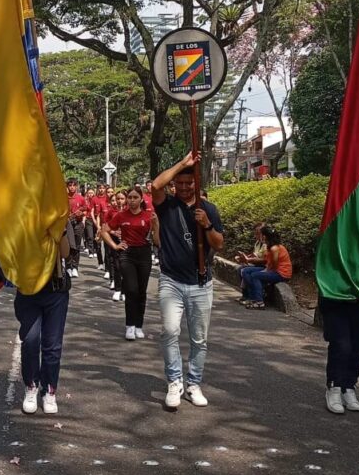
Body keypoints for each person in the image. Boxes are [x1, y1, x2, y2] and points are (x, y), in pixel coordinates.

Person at [152, 151, 225, 410]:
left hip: (201, 283)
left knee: (199, 338)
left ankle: (194, 383)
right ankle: (174, 381)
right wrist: (183, 163)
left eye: (188, 183)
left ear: (197, 183)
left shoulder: (208, 209)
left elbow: (219, 243)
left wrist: (206, 225)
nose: (183, 188)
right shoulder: (167, 205)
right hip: (171, 281)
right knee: (170, 331)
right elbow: (155, 186)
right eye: (179, 184)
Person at [17, 230, 72, 416]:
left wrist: (60, 230)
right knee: (30, 340)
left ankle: (49, 390)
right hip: (28, 290)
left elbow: (65, 253)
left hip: (55, 291)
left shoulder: (59, 216)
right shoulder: (22, 218)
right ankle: (31, 386)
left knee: (52, 345)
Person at [101, 185, 159, 339]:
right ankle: (130, 326)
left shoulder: (149, 215)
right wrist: (115, 245)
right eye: (130, 198)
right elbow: (104, 230)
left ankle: (139, 325)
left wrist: (156, 225)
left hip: (144, 254)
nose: (132, 201)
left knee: (141, 291)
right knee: (131, 290)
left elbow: (156, 240)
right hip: (127, 254)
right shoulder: (121, 215)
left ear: (141, 199)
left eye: (135, 198)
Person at [238, 225, 292, 309]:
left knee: (255, 275)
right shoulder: (269, 247)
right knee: (246, 271)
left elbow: (274, 265)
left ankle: (259, 302)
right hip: (272, 269)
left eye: (262, 234)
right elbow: (266, 261)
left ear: (265, 236)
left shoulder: (275, 248)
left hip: (280, 273)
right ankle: (252, 297)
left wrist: (265, 271)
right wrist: (248, 259)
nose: (261, 236)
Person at [66, 179, 87, 277]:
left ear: (77, 186)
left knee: (77, 246)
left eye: (74, 185)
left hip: (78, 224)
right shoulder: (63, 198)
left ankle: (75, 267)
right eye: (70, 185)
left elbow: (85, 210)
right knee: (69, 246)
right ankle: (68, 267)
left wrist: (81, 213)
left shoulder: (81, 198)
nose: (72, 187)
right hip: (67, 224)